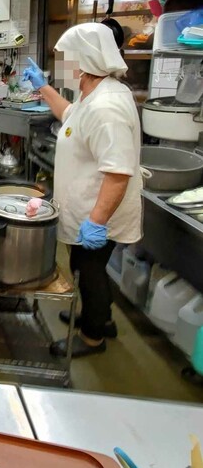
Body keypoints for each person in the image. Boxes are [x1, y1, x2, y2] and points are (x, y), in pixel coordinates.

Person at [22, 22, 143, 358]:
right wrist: (44, 88)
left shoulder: (108, 107)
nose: (63, 66)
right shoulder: (93, 94)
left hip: (99, 211)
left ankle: (92, 336)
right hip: (90, 206)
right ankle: (101, 318)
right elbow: (71, 115)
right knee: (86, 267)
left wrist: (97, 220)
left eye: (66, 59)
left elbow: (119, 172)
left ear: (85, 60)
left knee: (88, 271)